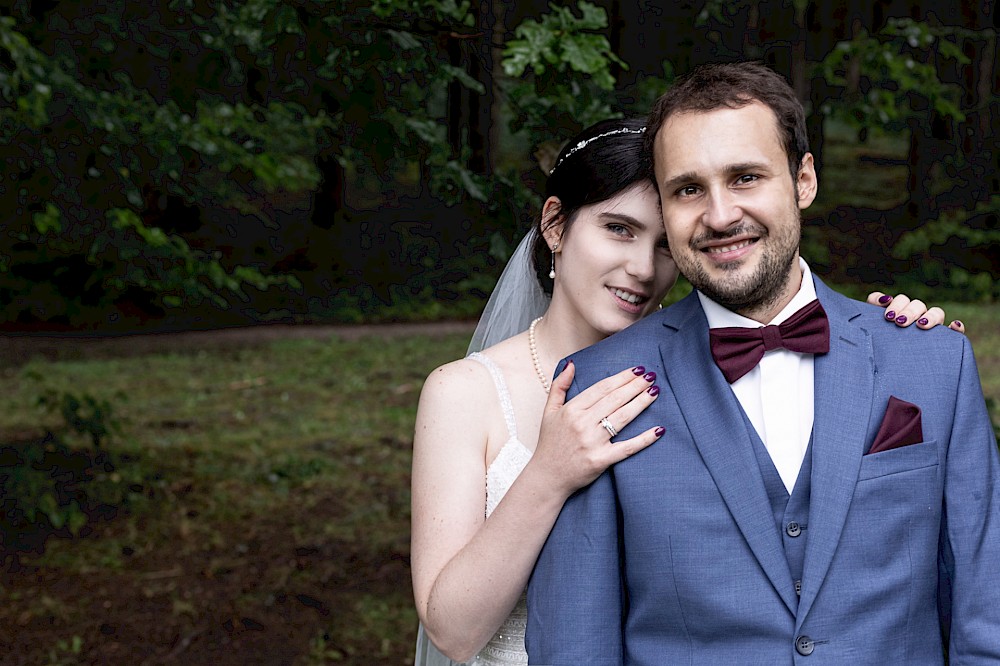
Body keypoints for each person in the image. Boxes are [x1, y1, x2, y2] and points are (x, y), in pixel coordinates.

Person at [410, 117, 958, 666]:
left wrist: (898, 349)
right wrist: (549, 474)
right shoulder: (463, 393)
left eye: (664, 244)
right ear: (555, 225)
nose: (642, 268)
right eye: (618, 230)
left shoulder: (721, 367)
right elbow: (452, 632)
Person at [525, 62, 999, 665]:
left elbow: (985, 622)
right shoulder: (600, 387)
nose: (720, 215)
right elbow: (574, 647)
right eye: (688, 189)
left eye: (745, 177)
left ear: (803, 180)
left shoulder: (932, 361)